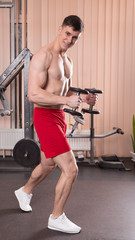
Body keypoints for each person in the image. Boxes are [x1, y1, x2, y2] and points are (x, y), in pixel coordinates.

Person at [14, 15, 97, 234]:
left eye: (75, 37)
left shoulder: (67, 60)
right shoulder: (44, 56)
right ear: (59, 29)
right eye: (68, 34)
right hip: (45, 116)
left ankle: (24, 191)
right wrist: (67, 100)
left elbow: (63, 91)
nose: (69, 40)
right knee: (70, 169)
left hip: (59, 116)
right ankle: (56, 217)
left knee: (49, 164)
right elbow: (33, 94)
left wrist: (82, 98)